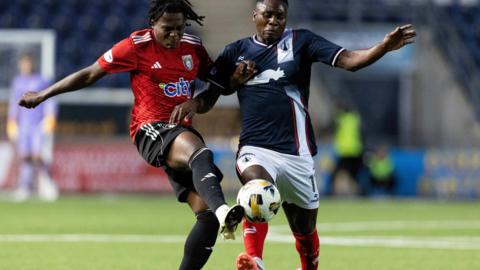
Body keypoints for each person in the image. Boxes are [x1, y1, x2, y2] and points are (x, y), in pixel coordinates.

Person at [171, 0, 416, 269]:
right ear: (255, 15)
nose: (274, 21)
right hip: (257, 148)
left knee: (305, 231)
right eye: (268, 15)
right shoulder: (235, 52)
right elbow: (211, 96)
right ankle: (255, 260)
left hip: (298, 154)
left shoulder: (302, 42)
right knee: (255, 190)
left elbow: (349, 61)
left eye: (280, 16)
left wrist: (383, 47)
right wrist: (198, 101)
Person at [18, 1, 244, 269]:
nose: (174, 35)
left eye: (179, 29)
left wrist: (232, 81)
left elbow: (214, 92)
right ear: (153, 24)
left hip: (179, 133)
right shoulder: (137, 46)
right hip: (149, 129)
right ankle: (223, 211)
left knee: (204, 218)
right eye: (167, 29)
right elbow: (91, 74)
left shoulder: (193, 47)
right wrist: (44, 95)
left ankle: (214, 215)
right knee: (200, 152)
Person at [7, 53, 58, 202]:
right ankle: (25, 187)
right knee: (24, 156)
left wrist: (51, 117)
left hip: (38, 124)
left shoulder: (41, 80)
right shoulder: (17, 82)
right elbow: (13, 103)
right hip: (24, 125)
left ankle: (47, 183)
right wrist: (12, 121)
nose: (25, 66)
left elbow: (50, 100)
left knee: (37, 155)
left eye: (27, 63)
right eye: (23, 63)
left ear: (32, 64)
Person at [330, 102, 365, 196]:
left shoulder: (339, 118)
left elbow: (330, 128)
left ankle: (334, 193)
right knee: (353, 175)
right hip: (355, 150)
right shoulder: (355, 118)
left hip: (344, 151)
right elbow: (361, 134)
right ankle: (356, 194)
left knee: (337, 173)